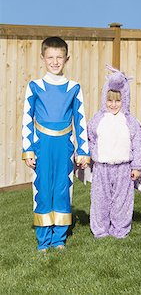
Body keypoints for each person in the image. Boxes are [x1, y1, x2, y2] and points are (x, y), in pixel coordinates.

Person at [22, 36, 90, 252]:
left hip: (65, 146)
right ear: (43, 58)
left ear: (66, 58)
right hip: (41, 145)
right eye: (50, 57)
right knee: (42, 188)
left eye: (59, 57)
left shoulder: (74, 87)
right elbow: (26, 119)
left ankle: (59, 238)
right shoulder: (35, 86)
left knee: (63, 188)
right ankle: (43, 239)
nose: (54, 61)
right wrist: (28, 149)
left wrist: (83, 151)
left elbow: (80, 120)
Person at [88, 65, 141, 239]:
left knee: (122, 201)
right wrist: (90, 156)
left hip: (124, 168)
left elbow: (138, 145)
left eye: (118, 101)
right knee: (100, 200)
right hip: (101, 168)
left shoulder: (130, 122)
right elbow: (90, 139)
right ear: (104, 99)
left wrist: (136, 166)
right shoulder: (97, 120)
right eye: (109, 100)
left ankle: (120, 229)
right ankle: (100, 229)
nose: (113, 104)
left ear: (125, 100)